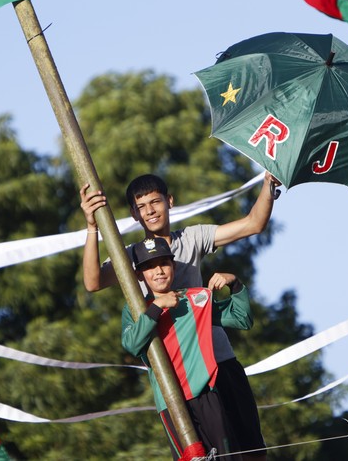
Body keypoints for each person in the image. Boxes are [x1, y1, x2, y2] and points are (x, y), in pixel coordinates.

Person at [80, 172, 277, 460]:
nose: (150, 211)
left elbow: (253, 224)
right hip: (176, 374)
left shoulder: (191, 237)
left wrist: (269, 186)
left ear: (169, 201)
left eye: (155, 202)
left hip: (217, 359)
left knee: (248, 449)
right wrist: (90, 226)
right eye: (142, 206)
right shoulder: (130, 257)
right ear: (134, 214)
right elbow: (93, 282)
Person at [121, 237, 255, 460]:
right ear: (139, 275)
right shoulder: (136, 309)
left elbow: (242, 319)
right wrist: (157, 308)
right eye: (150, 266)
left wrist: (235, 283)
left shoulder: (193, 299)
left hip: (206, 395)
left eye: (164, 263)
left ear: (173, 266)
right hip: (170, 402)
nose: (159, 271)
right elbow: (132, 344)